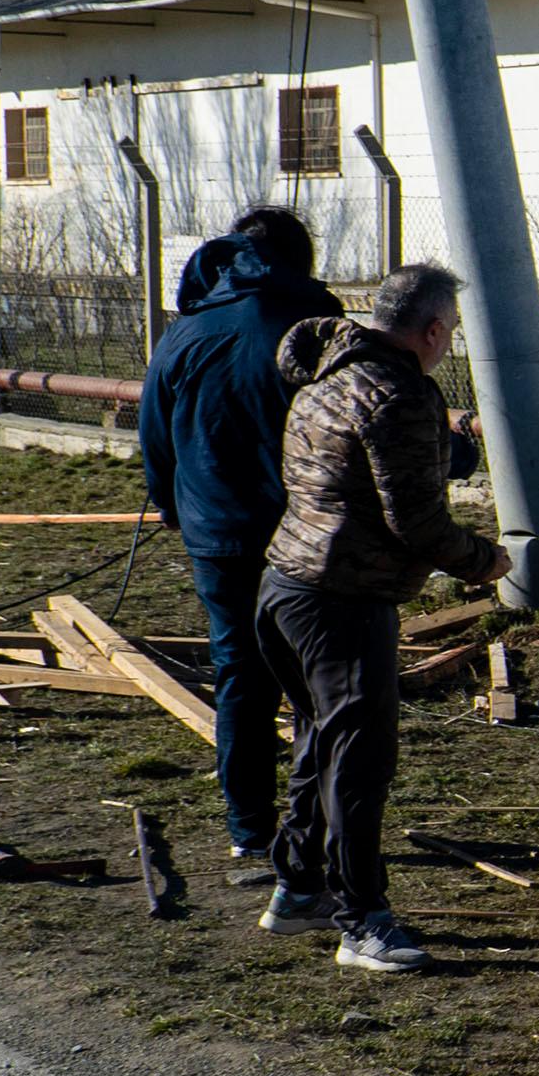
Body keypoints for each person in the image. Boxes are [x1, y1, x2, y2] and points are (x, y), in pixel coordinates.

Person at [255, 262, 508, 973]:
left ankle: (298, 886)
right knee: (361, 763)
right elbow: (417, 523)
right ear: (431, 330)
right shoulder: (396, 394)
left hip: (285, 587)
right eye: (450, 333)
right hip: (344, 600)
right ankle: (361, 918)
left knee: (317, 743)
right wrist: (484, 562)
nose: (448, 345)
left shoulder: (325, 379)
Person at [134, 206, 340, 886]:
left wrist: (170, 502)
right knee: (324, 681)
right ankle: (328, 829)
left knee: (241, 679)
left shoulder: (185, 329)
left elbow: (154, 434)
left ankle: (250, 836)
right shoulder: (311, 329)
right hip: (305, 537)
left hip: (215, 536)